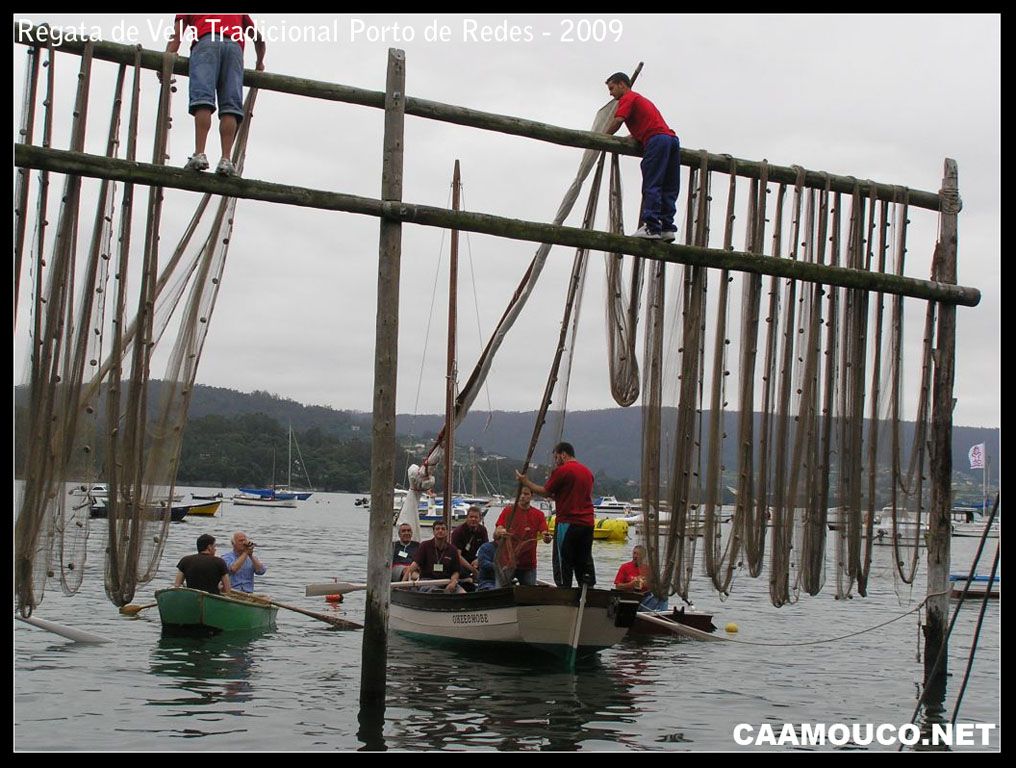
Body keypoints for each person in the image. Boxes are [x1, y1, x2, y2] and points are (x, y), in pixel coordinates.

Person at [165, 14, 266, 176]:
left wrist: (166, 59)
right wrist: (260, 63)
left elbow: (176, 37)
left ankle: (199, 154)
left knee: (203, 100)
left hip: (206, 44)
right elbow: (258, 39)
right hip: (234, 49)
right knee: (230, 106)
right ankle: (226, 160)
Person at [604, 72, 681, 241]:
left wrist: (603, 137)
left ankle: (652, 227)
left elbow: (618, 121)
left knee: (652, 183)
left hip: (656, 141)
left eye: (612, 88)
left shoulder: (628, 98)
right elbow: (647, 125)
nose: (611, 93)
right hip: (671, 140)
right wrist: (630, 138)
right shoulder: (642, 100)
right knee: (669, 186)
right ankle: (667, 227)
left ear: (622, 85)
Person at [516, 441, 596, 588]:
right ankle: (587, 592)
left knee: (562, 562)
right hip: (588, 524)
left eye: (556, 458)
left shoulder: (563, 470)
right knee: (583, 560)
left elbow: (545, 491)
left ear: (563, 455)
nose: (556, 462)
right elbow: (572, 495)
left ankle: (564, 593)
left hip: (568, 522)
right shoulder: (588, 472)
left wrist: (526, 482)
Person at [495, 486, 552, 586]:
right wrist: (500, 531)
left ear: (531, 496)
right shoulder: (508, 511)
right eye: (520, 493)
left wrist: (547, 537)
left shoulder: (538, 514)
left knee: (530, 596)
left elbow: (545, 534)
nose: (522, 496)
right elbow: (496, 532)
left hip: (528, 564)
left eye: (526, 494)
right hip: (507, 563)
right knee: (500, 593)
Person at [403, 521, 464, 593]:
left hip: (446, 581)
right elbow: (414, 565)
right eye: (437, 529)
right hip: (427, 581)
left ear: (447, 532)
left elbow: (456, 571)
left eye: (443, 529)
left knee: (462, 593)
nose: (440, 531)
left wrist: (453, 582)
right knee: (436, 592)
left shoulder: (453, 549)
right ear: (433, 532)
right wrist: (404, 581)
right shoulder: (425, 546)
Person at [615, 544, 669, 611]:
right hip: (630, 600)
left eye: (638, 554)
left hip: (644, 599)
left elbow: (655, 587)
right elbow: (617, 586)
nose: (635, 556)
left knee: (663, 596)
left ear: (643, 557)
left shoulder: (648, 569)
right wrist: (630, 584)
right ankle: (654, 614)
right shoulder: (625, 567)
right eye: (634, 553)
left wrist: (647, 584)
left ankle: (660, 616)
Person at [451, 505, 489, 584]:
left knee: (489, 567)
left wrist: (478, 560)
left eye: (476, 517)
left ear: (480, 519)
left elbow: (486, 549)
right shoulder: (458, 532)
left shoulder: (482, 530)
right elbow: (458, 556)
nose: (473, 519)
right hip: (461, 561)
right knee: (459, 570)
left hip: (474, 560)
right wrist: (472, 569)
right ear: (467, 518)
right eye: (471, 517)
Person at [474, 526, 508, 591]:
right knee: (496, 591)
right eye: (502, 538)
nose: (504, 541)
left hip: (504, 583)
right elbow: (484, 563)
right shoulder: (485, 547)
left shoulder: (507, 549)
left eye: (505, 538)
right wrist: (499, 566)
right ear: (496, 538)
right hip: (487, 582)